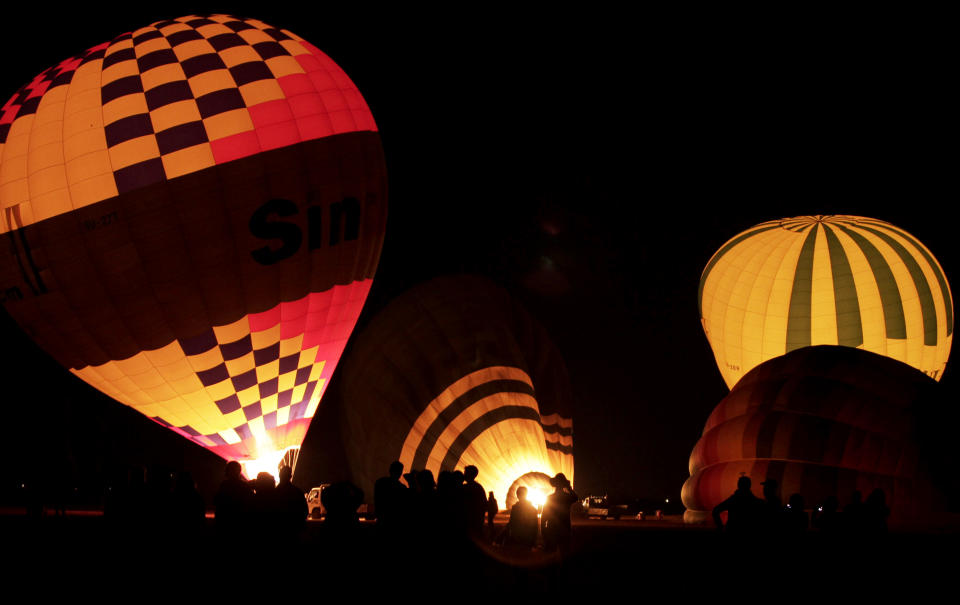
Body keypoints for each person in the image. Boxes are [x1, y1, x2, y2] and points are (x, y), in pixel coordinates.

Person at [541, 473, 578, 552]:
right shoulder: (567, 498)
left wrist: (543, 530)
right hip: (565, 528)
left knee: (551, 555)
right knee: (564, 553)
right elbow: (575, 498)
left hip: (552, 529)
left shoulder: (550, 498)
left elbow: (544, 516)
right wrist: (569, 488)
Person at [214, 461, 254, 536]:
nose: (225, 471)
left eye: (227, 469)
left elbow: (217, 501)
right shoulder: (245, 486)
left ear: (230, 471)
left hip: (226, 523)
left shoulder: (224, 485)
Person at [462, 465, 487, 537]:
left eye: (465, 472)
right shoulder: (479, 487)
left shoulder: (467, 487)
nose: (464, 474)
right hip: (476, 520)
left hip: (470, 521)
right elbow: (484, 504)